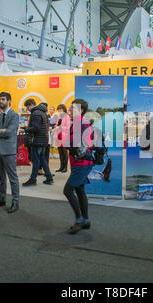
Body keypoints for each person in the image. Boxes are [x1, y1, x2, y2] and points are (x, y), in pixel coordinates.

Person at [63, 98, 94, 234]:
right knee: (80, 191)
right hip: (81, 163)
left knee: (68, 191)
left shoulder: (80, 124)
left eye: (73, 108)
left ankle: (79, 220)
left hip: (81, 164)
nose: (69, 110)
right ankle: (85, 220)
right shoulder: (79, 123)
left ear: (81, 110)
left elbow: (72, 143)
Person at [0, 92, 21, 213]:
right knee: (1, 177)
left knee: (12, 177)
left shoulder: (14, 115)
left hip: (9, 151)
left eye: (3, 99)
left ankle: (15, 202)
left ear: (9, 101)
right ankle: (1, 199)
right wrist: (1, 130)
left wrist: (0, 131)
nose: (1, 101)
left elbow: (9, 132)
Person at [22, 100, 54, 186]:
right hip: (43, 140)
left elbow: (36, 128)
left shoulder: (35, 113)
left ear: (31, 105)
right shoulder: (43, 112)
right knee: (43, 160)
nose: (27, 109)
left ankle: (33, 179)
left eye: (27, 107)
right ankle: (49, 177)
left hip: (37, 140)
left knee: (35, 161)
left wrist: (25, 129)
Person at [54, 104, 70, 172]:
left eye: (61, 109)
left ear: (64, 109)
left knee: (64, 152)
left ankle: (65, 167)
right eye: (58, 110)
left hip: (64, 136)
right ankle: (61, 166)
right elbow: (58, 124)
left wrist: (60, 127)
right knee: (60, 152)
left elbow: (68, 127)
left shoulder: (67, 117)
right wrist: (56, 126)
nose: (60, 111)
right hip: (58, 136)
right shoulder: (59, 117)